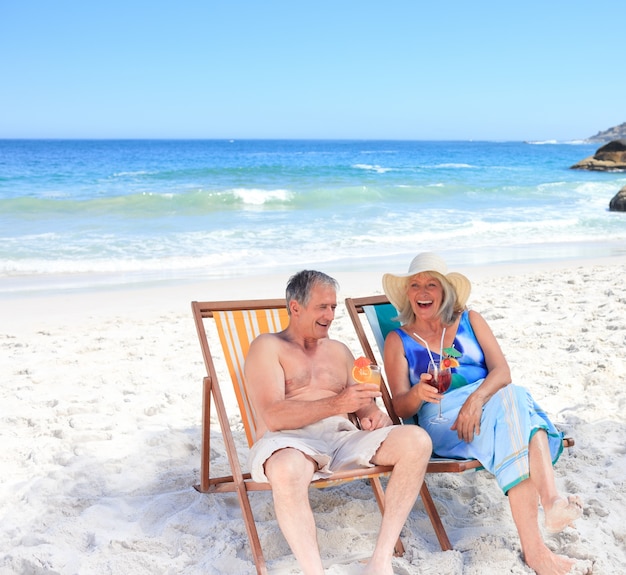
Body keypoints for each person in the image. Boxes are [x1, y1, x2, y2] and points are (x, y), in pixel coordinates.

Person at [382, 252, 588, 575]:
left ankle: (538, 544)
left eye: (431, 284)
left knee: (513, 403)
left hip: (487, 404)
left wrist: (476, 400)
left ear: (445, 290)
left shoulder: (470, 320)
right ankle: (550, 507)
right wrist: (418, 394)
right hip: (443, 420)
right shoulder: (399, 340)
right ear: (407, 293)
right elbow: (398, 406)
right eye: (415, 285)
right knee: (518, 407)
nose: (423, 292)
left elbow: (502, 371)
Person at [244, 269, 432, 575]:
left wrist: (374, 417)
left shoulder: (340, 351)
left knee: (416, 441)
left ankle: (380, 560)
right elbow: (273, 416)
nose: (330, 315)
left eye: (332, 307)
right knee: (286, 468)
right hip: (290, 440)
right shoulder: (268, 347)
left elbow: (364, 410)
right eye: (322, 307)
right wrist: (337, 403)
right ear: (295, 307)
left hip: (342, 438)